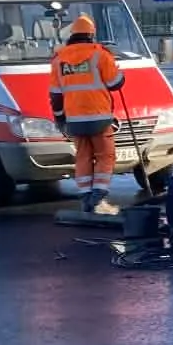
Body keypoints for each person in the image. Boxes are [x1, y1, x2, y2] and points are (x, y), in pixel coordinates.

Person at [48, 12, 125, 215]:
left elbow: (55, 95)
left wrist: (59, 119)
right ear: (91, 34)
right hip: (99, 116)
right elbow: (115, 83)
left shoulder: (59, 60)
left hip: (74, 119)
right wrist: (117, 68)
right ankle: (98, 196)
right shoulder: (100, 54)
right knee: (105, 155)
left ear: (72, 34)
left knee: (82, 155)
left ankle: (85, 197)